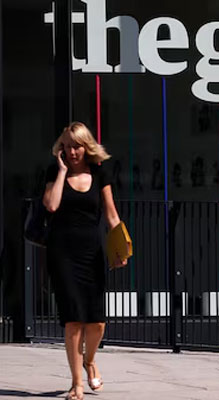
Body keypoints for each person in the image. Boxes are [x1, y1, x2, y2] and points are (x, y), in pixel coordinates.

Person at [43, 122, 128, 400]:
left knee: (97, 323)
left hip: (91, 253)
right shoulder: (55, 171)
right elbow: (52, 205)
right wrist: (62, 172)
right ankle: (77, 384)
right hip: (62, 253)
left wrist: (121, 248)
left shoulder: (99, 173)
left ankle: (90, 360)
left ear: (86, 146)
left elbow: (112, 215)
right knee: (73, 321)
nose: (72, 151)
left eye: (77, 145)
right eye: (66, 146)